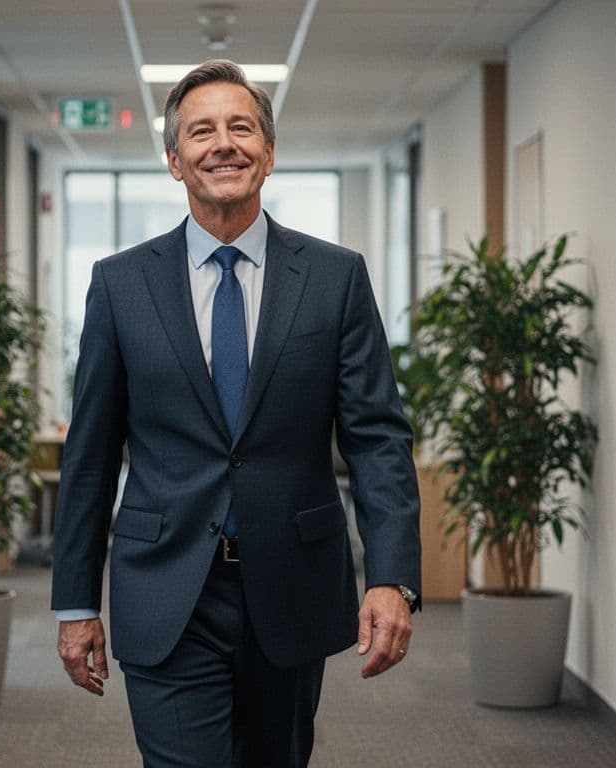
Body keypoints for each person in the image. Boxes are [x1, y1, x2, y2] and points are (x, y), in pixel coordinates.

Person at [52, 59, 421, 767]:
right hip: (165, 586)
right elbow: (91, 454)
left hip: (291, 582)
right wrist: (75, 603)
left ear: (270, 152)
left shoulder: (334, 277)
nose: (223, 143)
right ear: (173, 160)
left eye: (241, 127)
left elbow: (377, 436)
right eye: (201, 132)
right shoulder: (121, 284)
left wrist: (390, 574)